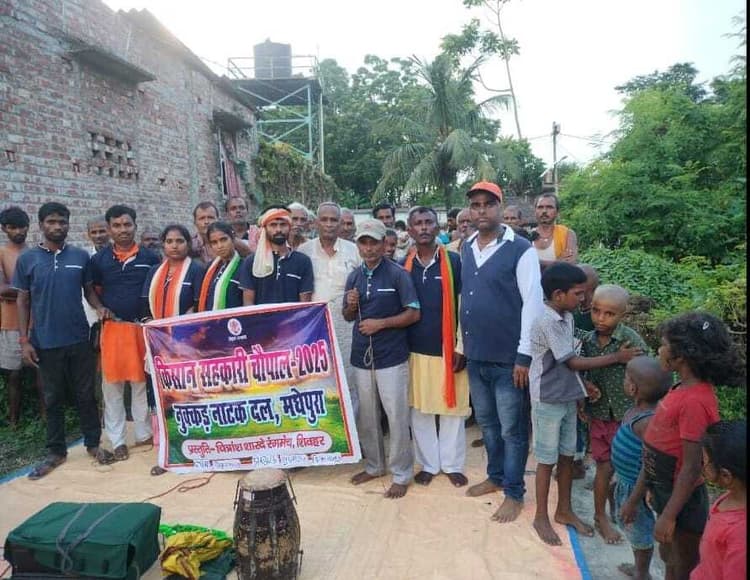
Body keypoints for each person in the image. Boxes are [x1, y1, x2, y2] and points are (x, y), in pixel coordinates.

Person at [529, 262, 642, 545]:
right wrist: (617, 358)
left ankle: (564, 510)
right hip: (548, 399)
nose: (585, 299)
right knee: (546, 460)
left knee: (568, 455)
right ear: (559, 295)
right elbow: (573, 362)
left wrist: (582, 387)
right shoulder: (546, 321)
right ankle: (541, 516)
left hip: (567, 396)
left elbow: (572, 367)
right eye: (579, 293)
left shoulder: (566, 316)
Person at [459, 181, 544, 523]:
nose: (481, 210)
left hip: (510, 360)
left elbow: (533, 305)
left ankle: (514, 492)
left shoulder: (520, 249)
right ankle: (495, 476)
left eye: (488, 204)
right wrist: (462, 347)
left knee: (512, 429)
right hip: (476, 356)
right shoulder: (467, 246)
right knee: (488, 424)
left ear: (500, 206)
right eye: (475, 205)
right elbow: (466, 299)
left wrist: (524, 356)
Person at [635, 312, 744, 579]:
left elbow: (693, 466)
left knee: (682, 561)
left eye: (663, 345)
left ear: (680, 356)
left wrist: (668, 515)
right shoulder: (680, 388)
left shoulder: (695, 401)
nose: (658, 350)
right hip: (666, 490)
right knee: (669, 555)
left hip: (682, 501)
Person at [14, 202, 111, 478]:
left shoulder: (80, 256)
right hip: (45, 341)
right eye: (52, 222)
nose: (57, 227)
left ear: (68, 224)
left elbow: (89, 291)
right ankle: (56, 452)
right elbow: (22, 300)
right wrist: (24, 340)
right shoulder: (28, 259)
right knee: (53, 397)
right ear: (41, 225)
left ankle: (93, 444)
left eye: (62, 222)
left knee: (86, 395)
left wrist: (99, 307)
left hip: (79, 337)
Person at [343, 218, 420, 499]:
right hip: (362, 356)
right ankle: (375, 466)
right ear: (358, 245)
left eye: (374, 242)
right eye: (363, 242)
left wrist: (382, 324)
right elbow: (347, 316)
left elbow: (414, 313)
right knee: (368, 415)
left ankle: (401, 474)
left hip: (392, 356)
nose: (369, 248)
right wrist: (350, 305)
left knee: (396, 417)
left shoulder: (398, 274)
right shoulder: (354, 276)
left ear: (384, 243)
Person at [403, 206, 469, 488]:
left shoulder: (454, 262)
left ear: (438, 227)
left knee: (452, 410)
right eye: (418, 223)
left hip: (449, 349)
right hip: (414, 350)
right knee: (420, 410)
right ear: (410, 230)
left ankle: (452, 465)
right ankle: (429, 464)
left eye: (428, 222)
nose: (423, 227)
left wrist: (461, 347)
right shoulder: (403, 265)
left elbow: (465, 306)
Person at [90, 205, 160, 461]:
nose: (123, 230)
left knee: (140, 384)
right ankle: (118, 440)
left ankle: (143, 434)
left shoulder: (150, 257)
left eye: (127, 224)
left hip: (141, 329)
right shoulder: (99, 260)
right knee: (112, 387)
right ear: (109, 229)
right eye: (117, 226)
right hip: (113, 329)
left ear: (135, 226)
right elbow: (92, 290)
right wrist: (100, 307)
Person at [580, 284, 649, 544]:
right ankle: (600, 517)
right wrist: (585, 389)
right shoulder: (587, 341)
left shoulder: (631, 341)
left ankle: (619, 507)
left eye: (609, 314)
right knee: (604, 467)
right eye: (596, 311)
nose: (600, 318)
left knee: (627, 469)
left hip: (628, 419)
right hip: (599, 415)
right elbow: (579, 373)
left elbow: (647, 375)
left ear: (623, 314)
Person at [141, 224, 204, 476]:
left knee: (188, 396)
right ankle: (167, 451)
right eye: (169, 241)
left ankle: (197, 447)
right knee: (162, 397)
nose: (174, 246)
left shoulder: (196, 270)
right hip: (157, 345)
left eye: (180, 241)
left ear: (188, 244)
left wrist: (180, 329)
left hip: (186, 345)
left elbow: (200, 306)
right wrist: (153, 326)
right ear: (163, 244)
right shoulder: (154, 272)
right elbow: (143, 305)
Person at [298, 203, 361, 411]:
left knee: (350, 379)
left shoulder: (354, 251)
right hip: (314, 326)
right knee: (319, 380)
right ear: (316, 223)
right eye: (324, 219)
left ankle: (353, 429)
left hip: (347, 325)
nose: (329, 224)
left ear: (340, 223)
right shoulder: (304, 251)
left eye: (334, 220)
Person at [614, 356, 672, 580]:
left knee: (640, 532)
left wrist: (632, 500)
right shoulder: (635, 411)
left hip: (636, 490)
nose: (624, 380)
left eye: (626, 377)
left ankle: (642, 573)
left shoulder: (648, 421)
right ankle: (639, 568)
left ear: (633, 388)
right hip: (625, 482)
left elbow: (649, 465)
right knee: (632, 530)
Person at [0, 206, 44, 427]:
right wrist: (29, 290)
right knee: (14, 374)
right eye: (12, 227)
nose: (18, 231)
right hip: (10, 323)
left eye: (22, 226)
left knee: (41, 372)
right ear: (4, 229)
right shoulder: (1, 253)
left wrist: (16, 290)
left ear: (28, 226)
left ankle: (46, 417)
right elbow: (1, 289)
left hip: (38, 321)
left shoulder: (37, 253)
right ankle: (14, 421)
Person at [689, 420, 746, 580]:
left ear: (725, 475)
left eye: (704, 461)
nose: (701, 465)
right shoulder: (731, 495)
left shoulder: (740, 535)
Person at [239, 206, 313, 305]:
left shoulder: (303, 261)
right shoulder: (251, 262)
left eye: (283, 225)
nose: (278, 229)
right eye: (273, 225)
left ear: (289, 227)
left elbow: (305, 306)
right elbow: (248, 304)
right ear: (265, 228)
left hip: (294, 315)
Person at [197, 222, 244, 311]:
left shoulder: (244, 266)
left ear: (233, 238)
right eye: (214, 242)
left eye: (223, 240)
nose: (220, 246)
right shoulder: (209, 268)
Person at [531, 192, 578, 269]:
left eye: (549, 207)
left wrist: (536, 262)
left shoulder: (567, 234)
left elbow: (570, 263)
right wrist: (558, 261)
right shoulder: (526, 236)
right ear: (535, 211)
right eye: (540, 207)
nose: (544, 211)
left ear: (557, 212)